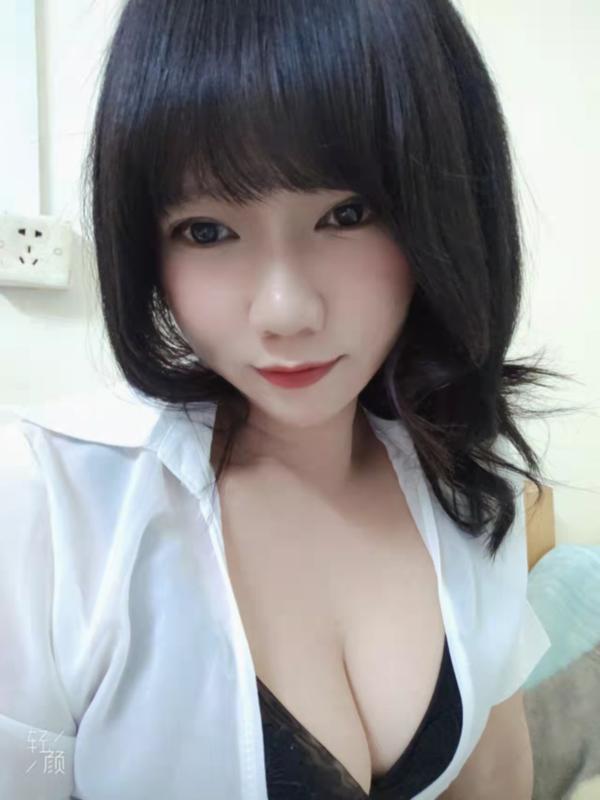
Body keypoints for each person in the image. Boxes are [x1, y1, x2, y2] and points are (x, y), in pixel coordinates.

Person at [0, 1, 571, 798]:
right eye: (206, 231)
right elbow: (31, 772)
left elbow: (495, 775)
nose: (285, 311)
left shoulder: (469, 478)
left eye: (347, 214)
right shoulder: (49, 502)